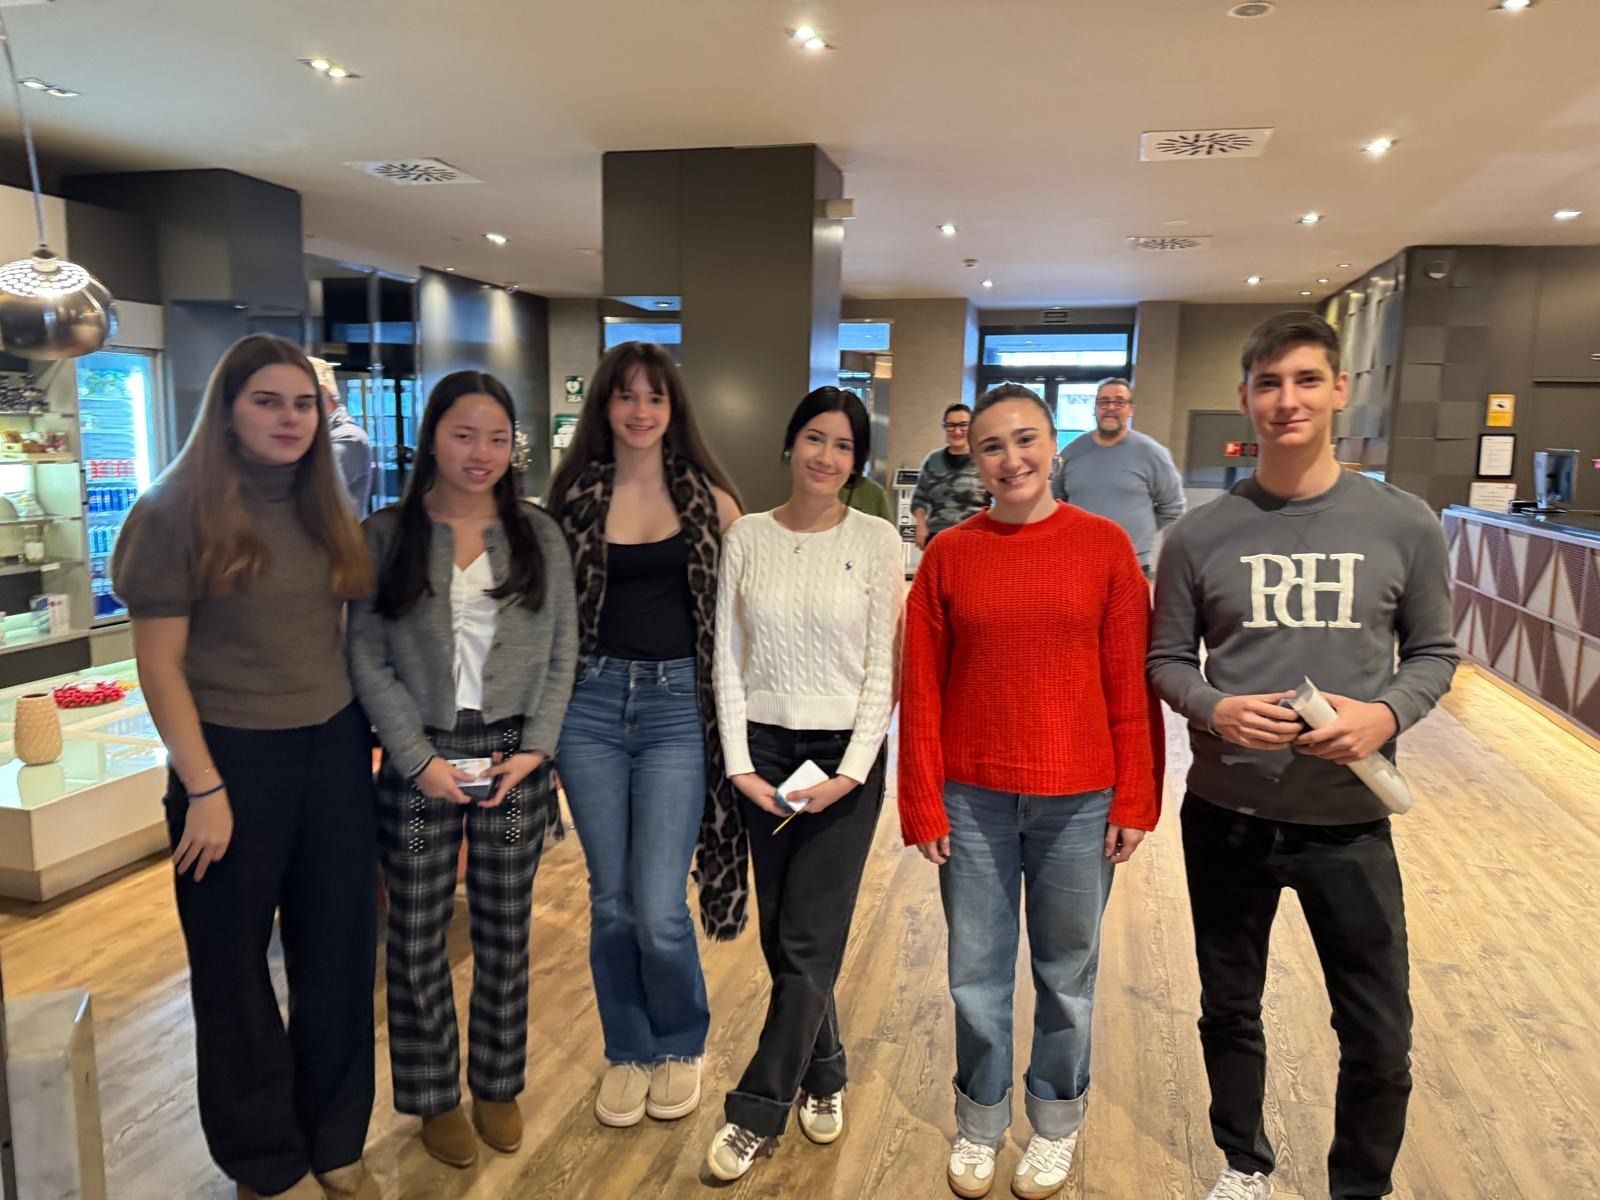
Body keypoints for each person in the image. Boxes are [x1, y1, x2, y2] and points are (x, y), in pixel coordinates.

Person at [1147, 312, 1458, 1200]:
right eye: (1270, 383)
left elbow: (1434, 654)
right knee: (1229, 1009)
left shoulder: (1404, 523)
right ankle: (1243, 1163)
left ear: (1339, 391)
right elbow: (1166, 660)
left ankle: (1361, 1187)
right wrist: (1214, 707)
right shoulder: (1199, 534)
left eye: (1307, 380)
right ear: (1246, 396)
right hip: (1228, 815)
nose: (1289, 400)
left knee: (1378, 1034)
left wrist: (1384, 715)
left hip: (1349, 819)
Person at [111, 335, 379, 1200]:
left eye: (303, 404)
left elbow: (336, 635)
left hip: (332, 747)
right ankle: (265, 1161)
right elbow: (159, 666)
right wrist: (204, 788)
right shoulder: (172, 511)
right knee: (231, 968)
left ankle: (336, 1137)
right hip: (228, 757)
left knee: (338, 951)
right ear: (227, 409)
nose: (289, 419)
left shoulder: (325, 504)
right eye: (267, 401)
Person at [899, 383, 1162, 1200]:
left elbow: (1130, 684)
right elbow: (923, 688)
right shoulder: (949, 555)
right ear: (973, 458)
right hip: (971, 798)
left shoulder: (1105, 547)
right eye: (992, 446)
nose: (1010, 459)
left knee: (1066, 975)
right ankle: (980, 1121)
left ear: (1054, 448)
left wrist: (1136, 796)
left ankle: (1054, 1121)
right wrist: (921, 799)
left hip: (1080, 800)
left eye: (1025, 440)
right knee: (975, 974)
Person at [347, 371, 578, 1169]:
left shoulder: (539, 534)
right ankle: (433, 1097)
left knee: (505, 929)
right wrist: (415, 758)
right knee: (415, 935)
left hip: (515, 756)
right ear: (432, 438)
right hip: (422, 754)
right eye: (463, 434)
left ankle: (497, 1083)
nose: (481, 452)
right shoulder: (388, 535)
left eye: (496, 438)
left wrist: (538, 747)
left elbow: (562, 650)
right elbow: (366, 654)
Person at [545, 341, 745, 1130]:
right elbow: (547, 613)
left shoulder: (710, 501)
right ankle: (627, 1048)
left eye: (654, 397)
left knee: (659, 906)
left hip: (674, 711)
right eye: (625, 395)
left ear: (673, 409)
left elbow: (743, 620)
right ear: (605, 404)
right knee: (611, 902)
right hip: (590, 707)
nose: (639, 410)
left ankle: (681, 1041)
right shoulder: (574, 499)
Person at [704, 387, 904, 1180]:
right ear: (790, 444)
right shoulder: (747, 536)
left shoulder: (877, 539)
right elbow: (727, 657)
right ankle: (824, 1070)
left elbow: (883, 669)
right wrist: (739, 763)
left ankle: (756, 1110)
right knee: (784, 935)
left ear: (858, 463)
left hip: (844, 759)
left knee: (810, 940)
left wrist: (852, 771)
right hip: (765, 753)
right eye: (816, 438)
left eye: (844, 446)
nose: (827, 456)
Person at [1049, 376, 1185, 578]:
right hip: (1077, 562)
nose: (1110, 408)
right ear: (1095, 408)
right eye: (1104, 402)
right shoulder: (1071, 452)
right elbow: (1055, 502)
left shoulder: (1152, 453)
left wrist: (1138, 536)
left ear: (1131, 410)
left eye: (1119, 402)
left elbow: (1173, 507)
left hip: (1131, 563)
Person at [911, 402, 988, 547]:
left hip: (975, 538)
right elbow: (919, 499)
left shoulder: (984, 460)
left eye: (963, 425)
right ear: (944, 427)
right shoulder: (933, 460)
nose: (957, 431)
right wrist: (920, 525)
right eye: (951, 425)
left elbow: (1000, 501)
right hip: (938, 537)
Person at [309, 356, 373, 514]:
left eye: (301, 399)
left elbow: (314, 493)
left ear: (322, 392)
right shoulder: (316, 433)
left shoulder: (349, 437)